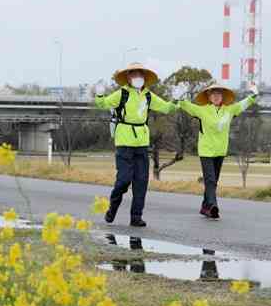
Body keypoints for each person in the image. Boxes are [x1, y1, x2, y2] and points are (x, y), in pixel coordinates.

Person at [94, 63, 177, 227]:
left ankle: (136, 217)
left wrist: (177, 99)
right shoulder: (122, 94)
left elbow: (168, 108)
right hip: (124, 142)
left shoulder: (148, 96)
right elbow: (103, 104)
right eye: (133, 74)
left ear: (144, 78)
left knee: (141, 181)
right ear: (128, 78)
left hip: (142, 144)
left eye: (140, 74)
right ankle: (112, 208)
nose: (137, 77)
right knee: (123, 180)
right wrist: (99, 95)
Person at [177, 82, 257, 219]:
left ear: (223, 96)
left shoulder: (229, 110)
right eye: (213, 94)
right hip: (206, 151)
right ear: (208, 96)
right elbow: (186, 106)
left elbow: (243, 105)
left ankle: (205, 207)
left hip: (220, 151)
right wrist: (179, 99)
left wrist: (254, 95)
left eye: (218, 94)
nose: (215, 96)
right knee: (210, 180)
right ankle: (213, 205)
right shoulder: (202, 110)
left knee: (213, 181)